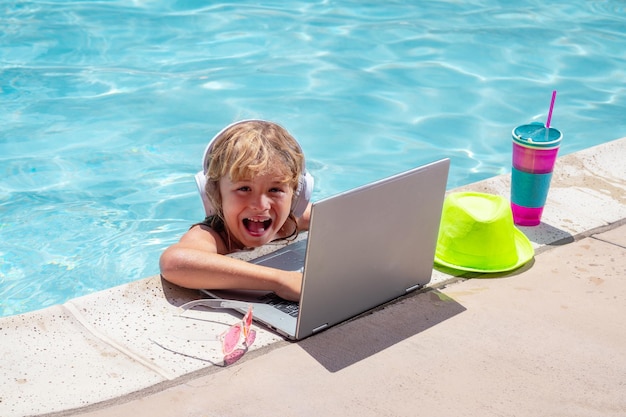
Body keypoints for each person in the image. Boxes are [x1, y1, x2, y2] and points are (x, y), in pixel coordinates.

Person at [159, 120, 313, 301]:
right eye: (244, 189)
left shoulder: (290, 222)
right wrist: (280, 280)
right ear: (216, 194)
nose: (260, 205)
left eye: (275, 190)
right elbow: (174, 263)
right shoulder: (214, 236)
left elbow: (345, 217)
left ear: (297, 195)